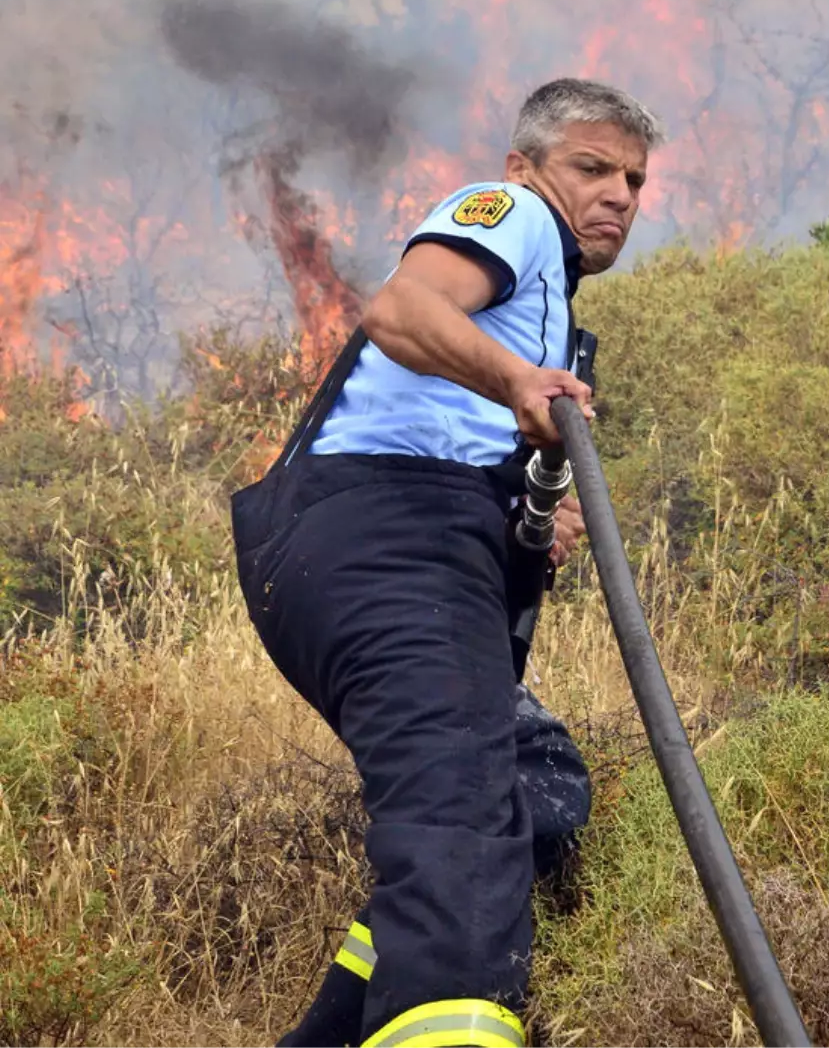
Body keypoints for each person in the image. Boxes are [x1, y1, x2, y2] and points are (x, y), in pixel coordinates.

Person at [232, 77, 663, 1048]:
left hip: (405, 542)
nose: (619, 194)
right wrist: (518, 381)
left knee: (536, 785)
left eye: (634, 178)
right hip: (387, 535)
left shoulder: (548, 297)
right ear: (525, 165)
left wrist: (525, 512)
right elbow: (402, 308)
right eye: (592, 166)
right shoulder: (509, 212)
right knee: (461, 824)